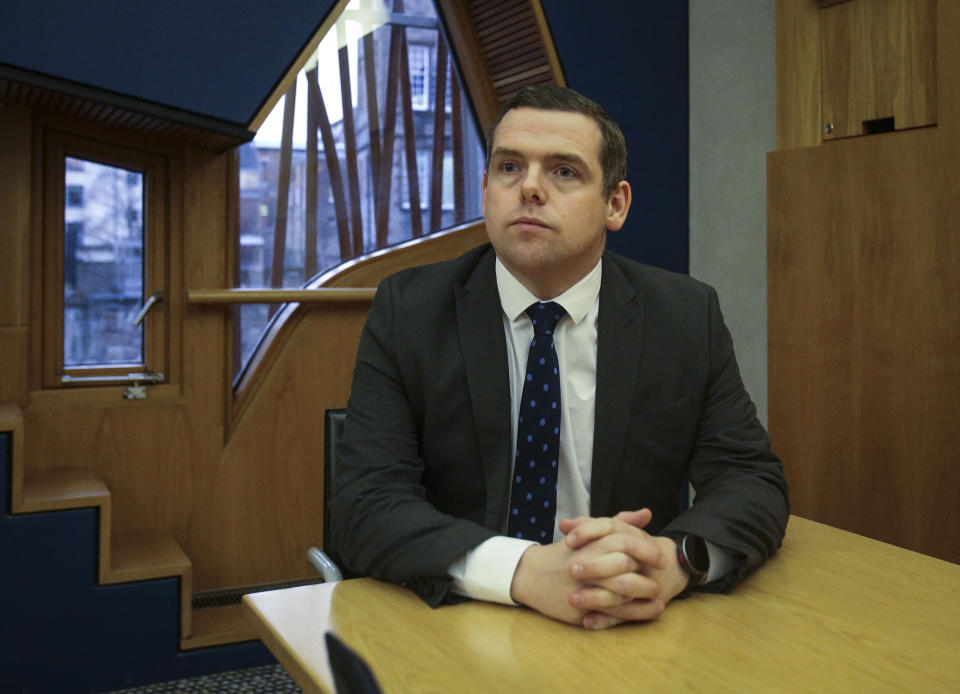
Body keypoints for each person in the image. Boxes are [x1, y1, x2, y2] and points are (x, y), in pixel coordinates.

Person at [330, 85, 788, 630]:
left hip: (628, 620)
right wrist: (524, 570)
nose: (529, 188)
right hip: (460, 618)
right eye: (509, 167)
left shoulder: (685, 316)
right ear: (485, 190)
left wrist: (676, 561)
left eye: (563, 172)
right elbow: (364, 503)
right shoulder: (409, 309)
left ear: (615, 204)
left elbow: (749, 479)